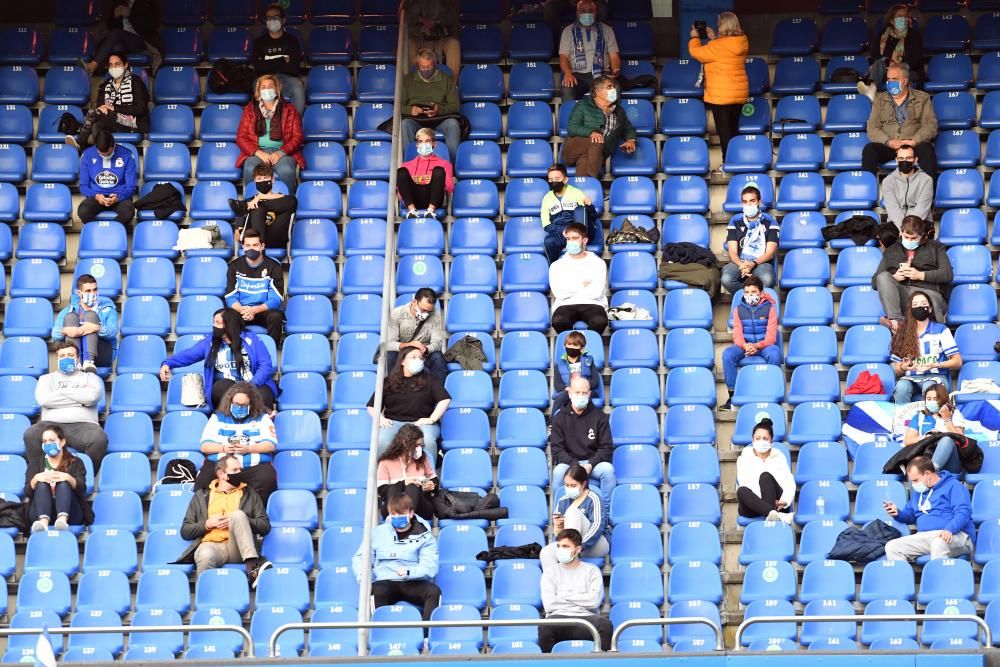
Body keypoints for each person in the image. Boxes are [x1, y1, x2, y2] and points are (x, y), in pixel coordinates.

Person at [176, 454, 272, 586]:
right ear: (221, 473)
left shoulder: (249, 493)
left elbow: (264, 526)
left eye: (240, 470)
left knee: (238, 515)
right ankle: (206, 597)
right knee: (205, 555)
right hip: (212, 545)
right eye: (235, 470)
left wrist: (240, 520)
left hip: (238, 548)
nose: (239, 473)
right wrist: (207, 524)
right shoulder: (202, 496)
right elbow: (185, 531)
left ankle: (252, 568)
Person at [159, 308, 278, 409]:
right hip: (227, 388)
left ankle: (261, 419)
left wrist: (252, 385)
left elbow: (265, 365)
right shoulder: (210, 342)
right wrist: (168, 363)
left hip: (253, 384)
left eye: (218, 323)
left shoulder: (251, 339)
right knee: (220, 387)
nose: (214, 326)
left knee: (264, 395)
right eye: (214, 322)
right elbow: (190, 354)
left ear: (229, 324)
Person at [352, 493, 441, 621]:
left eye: (401, 514)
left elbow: (430, 567)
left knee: (433, 592)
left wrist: (409, 572)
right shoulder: (377, 533)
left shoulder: (425, 536)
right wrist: (365, 578)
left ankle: (427, 635)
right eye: (393, 514)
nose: (397, 518)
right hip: (385, 579)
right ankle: (381, 634)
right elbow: (361, 558)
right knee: (377, 591)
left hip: (413, 581)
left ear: (411, 513)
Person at [22, 343, 107, 472]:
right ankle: (40, 475)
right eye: (62, 356)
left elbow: (91, 397)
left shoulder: (90, 378)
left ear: (78, 359)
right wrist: (80, 400)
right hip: (50, 425)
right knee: (30, 434)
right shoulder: (46, 379)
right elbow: (44, 400)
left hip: (83, 426)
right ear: (57, 359)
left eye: (70, 355)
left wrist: (60, 393)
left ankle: (83, 476)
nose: (66, 358)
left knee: (99, 439)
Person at [195, 383, 278, 502]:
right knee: (202, 482)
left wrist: (248, 449)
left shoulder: (263, 419)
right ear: (230, 401)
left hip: (252, 467)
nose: (239, 408)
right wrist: (224, 448)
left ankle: (254, 517)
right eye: (236, 404)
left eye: (244, 405)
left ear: (252, 404)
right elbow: (205, 446)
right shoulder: (217, 418)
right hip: (221, 465)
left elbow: (270, 445)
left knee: (267, 478)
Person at [688, 12, 749, 173]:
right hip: (738, 94)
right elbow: (723, 52)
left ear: (725, 25)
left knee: (724, 132)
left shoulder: (718, 46)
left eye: (719, 24)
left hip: (721, 95)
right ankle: (735, 161)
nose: (718, 26)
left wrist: (695, 38)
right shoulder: (741, 41)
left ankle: (727, 164)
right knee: (733, 130)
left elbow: (698, 53)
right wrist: (714, 38)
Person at [368, 347, 451, 464]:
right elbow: (371, 406)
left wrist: (432, 419)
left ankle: (430, 477)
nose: (419, 360)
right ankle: (383, 476)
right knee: (381, 440)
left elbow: (445, 399)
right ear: (402, 361)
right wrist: (380, 418)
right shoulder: (388, 381)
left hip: (421, 423)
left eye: (421, 358)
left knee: (427, 440)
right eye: (413, 357)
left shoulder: (430, 380)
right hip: (394, 423)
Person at [883, 456, 975, 561]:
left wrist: (949, 529)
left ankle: (939, 577)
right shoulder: (918, 493)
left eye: (916, 480)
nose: (913, 484)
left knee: (938, 543)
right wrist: (897, 513)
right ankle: (904, 577)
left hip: (956, 535)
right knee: (892, 547)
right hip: (925, 537)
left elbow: (963, 513)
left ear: (927, 474)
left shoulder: (954, 486)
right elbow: (909, 516)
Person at [872, 216, 952, 333]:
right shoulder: (891, 250)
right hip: (904, 295)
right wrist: (895, 277)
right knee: (883, 277)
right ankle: (897, 322)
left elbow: (947, 274)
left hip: (930, 293)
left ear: (922, 235)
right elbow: (875, 282)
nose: (909, 241)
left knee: (930, 302)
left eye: (914, 238)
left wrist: (920, 275)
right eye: (906, 237)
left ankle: (937, 339)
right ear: (901, 232)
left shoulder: (936, 247)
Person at [538, 528, 612, 653]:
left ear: (577, 549)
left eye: (566, 546)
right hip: (559, 619)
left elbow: (594, 602)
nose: (561, 550)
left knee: (605, 625)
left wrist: (564, 595)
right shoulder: (550, 572)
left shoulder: (592, 571)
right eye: (559, 546)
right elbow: (549, 605)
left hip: (587, 618)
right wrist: (581, 597)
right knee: (545, 626)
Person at [862, 62, 937, 176]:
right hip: (889, 146)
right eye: (889, 79)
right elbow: (872, 127)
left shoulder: (922, 98)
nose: (890, 82)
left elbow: (930, 125)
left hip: (913, 145)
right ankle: (867, 190)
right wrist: (888, 142)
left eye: (894, 79)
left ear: (905, 81)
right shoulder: (880, 99)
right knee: (869, 150)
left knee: (927, 150)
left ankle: (928, 190)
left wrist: (914, 141)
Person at [721, 276, 781, 411]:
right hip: (745, 346)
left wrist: (757, 346)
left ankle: (771, 390)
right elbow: (737, 335)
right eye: (747, 292)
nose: (750, 295)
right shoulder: (738, 310)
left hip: (763, 346)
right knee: (728, 354)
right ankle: (733, 395)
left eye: (753, 292)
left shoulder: (770, 309)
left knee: (775, 353)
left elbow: (771, 337)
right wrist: (745, 346)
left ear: (761, 293)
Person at [889, 292, 962, 403]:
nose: (919, 307)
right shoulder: (903, 332)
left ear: (930, 308)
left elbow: (957, 362)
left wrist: (935, 364)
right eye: (915, 305)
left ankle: (930, 419)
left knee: (929, 387)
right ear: (910, 310)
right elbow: (894, 369)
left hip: (936, 377)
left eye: (923, 303)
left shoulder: (941, 329)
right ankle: (903, 419)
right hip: (911, 378)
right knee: (901, 387)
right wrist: (904, 367)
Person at [550, 376, 615, 500]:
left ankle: (605, 514)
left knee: (608, 470)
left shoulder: (599, 416)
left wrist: (590, 464)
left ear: (589, 394)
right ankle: (560, 512)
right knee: (558, 472)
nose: (581, 395)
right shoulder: (559, 417)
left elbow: (606, 447)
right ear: (569, 393)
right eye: (577, 392)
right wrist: (574, 465)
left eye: (584, 393)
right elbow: (557, 449)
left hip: (592, 464)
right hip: (569, 463)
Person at [236, 74, 304, 191]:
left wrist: (281, 153)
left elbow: (297, 137)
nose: (267, 90)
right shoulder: (250, 110)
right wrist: (258, 153)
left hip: (282, 153)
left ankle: (288, 205)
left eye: (270, 86)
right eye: (263, 87)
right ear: (258, 92)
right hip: (258, 153)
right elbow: (241, 138)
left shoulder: (290, 110)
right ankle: (251, 203)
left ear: (277, 90)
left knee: (286, 170)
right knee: (250, 168)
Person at [70, 52, 150, 151]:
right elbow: (101, 107)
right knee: (96, 126)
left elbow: (140, 108)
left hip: (134, 124)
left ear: (125, 65)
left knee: (98, 115)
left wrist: (114, 108)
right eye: (111, 65)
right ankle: (95, 154)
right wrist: (103, 109)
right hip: (110, 122)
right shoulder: (105, 86)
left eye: (117, 64)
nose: (114, 68)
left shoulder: (136, 83)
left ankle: (80, 143)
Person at [562, 75, 636, 178]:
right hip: (573, 149)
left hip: (597, 155)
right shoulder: (583, 105)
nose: (613, 89)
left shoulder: (619, 111)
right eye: (609, 87)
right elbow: (572, 127)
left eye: (614, 87)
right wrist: (592, 132)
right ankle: (594, 180)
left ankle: (587, 188)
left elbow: (628, 128)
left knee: (584, 162)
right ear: (597, 92)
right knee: (597, 140)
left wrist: (631, 140)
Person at [25, 425, 93, 534]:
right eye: (45, 441)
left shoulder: (76, 462)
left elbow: (82, 490)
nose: (48, 444)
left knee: (63, 483)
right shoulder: (35, 462)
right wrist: (36, 479)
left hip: (71, 512)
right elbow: (27, 492)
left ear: (62, 442)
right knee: (41, 484)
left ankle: (62, 520)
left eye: (51, 440)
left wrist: (68, 478)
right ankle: (43, 522)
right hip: (39, 512)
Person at [542, 465, 610, 570]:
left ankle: (569, 555)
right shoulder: (562, 501)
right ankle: (556, 583)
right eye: (567, 485)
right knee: (546, 552)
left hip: (595, 545)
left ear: (583, 484)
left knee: (573, 512)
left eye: (573, 485)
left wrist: (577, 546)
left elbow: (597, 526)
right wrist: (558, 527)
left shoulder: (594, 498)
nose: (569, 488)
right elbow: (559, 535)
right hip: (571, 547)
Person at [401, 49, 462, 164]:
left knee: (453, 124)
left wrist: (439, 110)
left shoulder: (446, 79)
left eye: (428, 67)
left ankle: (450, 165)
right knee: (405, 124)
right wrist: (410, 110)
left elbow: (455, 106)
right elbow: (398, 106)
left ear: (435, 64)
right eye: (422, 67)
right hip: (416, 119)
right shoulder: (408, 80)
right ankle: (410, 164)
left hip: (439, 118)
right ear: (417, 65)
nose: (425, 70)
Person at [225, 229, 285, 345]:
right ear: (243, 246)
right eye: (247, 245)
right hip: (242, 311)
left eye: (255, 245)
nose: (251, 248)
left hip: (263, 311)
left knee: (276, 317)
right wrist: (244, 310)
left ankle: (271, 352)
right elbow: (231, 297)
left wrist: (254, 310)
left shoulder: (274, 267)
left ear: (262, 246)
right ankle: (237, 354)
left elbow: (275, 300)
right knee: (228, 316)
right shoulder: (234, 267)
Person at [52, 273, 119, 373]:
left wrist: (96, 328)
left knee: (91, 315)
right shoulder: (68, 310)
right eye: (88, 291)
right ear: (79, 293)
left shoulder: (108, 308)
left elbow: (113, 332)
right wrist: (66, 330)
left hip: (100, 353)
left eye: (95, 290)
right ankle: (76, 363)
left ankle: (89, 361)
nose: (92, 293)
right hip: (74, 354)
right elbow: (55, 335)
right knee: (71, 317)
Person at [549, 222, 608, 333]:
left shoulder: (598, 263)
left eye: (575, 238)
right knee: (558, 321)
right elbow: (559, 293)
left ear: (584, 240)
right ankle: (572, 347)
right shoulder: (557, 265)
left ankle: (587, 348)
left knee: (599, 321)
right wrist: (582, 284)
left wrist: (570, 285)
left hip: (593, 304)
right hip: (565, 304)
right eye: (568, 238)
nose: (571, 242)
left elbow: (596, 293)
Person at [720, 185, 778, 295]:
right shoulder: (735, 221)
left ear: (759, 202)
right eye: (745, 202)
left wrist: (753, 264)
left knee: (767, 279)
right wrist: (741, 265)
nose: (748, 204)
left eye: (752, 201)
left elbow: (770, 253)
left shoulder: (770, 222)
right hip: (739, 261)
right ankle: (747, 299)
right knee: (727, 279)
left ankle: (757, 302)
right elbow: (732, 251)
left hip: (761, 262)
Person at [858, 4, 924, 100]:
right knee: (878, 63)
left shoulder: (914, 35)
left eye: (906, 16)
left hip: (908, 70)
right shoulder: (882, 34)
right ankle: (871, 90)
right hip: (886, 70)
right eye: (900, 17)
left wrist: (897, 66)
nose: (904, 19)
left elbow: (916, 59)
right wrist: (888, 63)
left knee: (903, 71)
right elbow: (875, 55)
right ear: (892, 20)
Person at [735, 418, 795, 525]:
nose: (761, 441)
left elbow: (788, 481)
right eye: (757, 438)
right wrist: (763, 503)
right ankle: (773, 514)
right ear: (753, 440)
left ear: (771, 441)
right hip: (754, 505)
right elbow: (745, 482)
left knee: (765, 476)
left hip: (776, 503)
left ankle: (773, 513)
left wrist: (784, 500)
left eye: (765, 438)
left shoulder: (779, 456)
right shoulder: (744, 458)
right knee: (741, 490)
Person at [558, 0, 620, 101]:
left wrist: (616, 68)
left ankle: (608, 117)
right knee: (567, 91)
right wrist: (567, 73)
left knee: (614, 89)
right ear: (577, 13)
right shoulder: (568, 31)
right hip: (577, 75)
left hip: (601, 73)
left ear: (596, 13)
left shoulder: (607, 30)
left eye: (590, 11)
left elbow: (614, 56)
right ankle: (573, 117)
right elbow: (563, 56)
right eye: (583, 11)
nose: (587, 14)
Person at [81, 0, 163, 76]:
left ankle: (93, 66)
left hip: (141, 41)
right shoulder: (120, 2)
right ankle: (119, 77)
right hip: (123, 41)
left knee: (117, 33)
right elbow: (110, 27)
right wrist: (115, 17)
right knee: (116, 47)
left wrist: (130, 14)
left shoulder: (146, 2)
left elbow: (151, 25)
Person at [385, 288, 448, 385]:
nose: (425, 314)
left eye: (428, 311)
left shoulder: (435, 314)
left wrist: (426, 349)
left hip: (424, 353)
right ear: (414, 302)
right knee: (390, 355)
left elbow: (437, 343)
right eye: (423, 310)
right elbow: (389, 344)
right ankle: (395, 388)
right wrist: (409, 345)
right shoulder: (397, 313)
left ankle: (438, 392)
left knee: (438, 357)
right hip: (403, 353)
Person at [251, 3, 305, 117]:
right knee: (257, 84)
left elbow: (293, 68)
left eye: (275, 17)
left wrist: (268, 63)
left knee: (298, 86)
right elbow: (259, 67)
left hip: (287, 79)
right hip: (265, 78)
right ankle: (264, 124)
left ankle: (294, 123)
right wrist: (282, 60)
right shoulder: (259, 42)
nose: (272, 21)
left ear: (283, 20)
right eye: (269, 18)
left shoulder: (292, 41)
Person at [376, 424, 437, 521]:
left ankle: (408, 521)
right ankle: (403, 520)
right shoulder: (385, 462)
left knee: (412, 487)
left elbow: (434, 481)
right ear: (405, 443)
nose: (420, 449)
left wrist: (431, 485)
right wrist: (404, 483)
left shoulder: (423, 459)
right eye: (417, 445)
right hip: (392, 507)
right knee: (408, 486)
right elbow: (381, 490)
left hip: (422, 509)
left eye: (421, 445)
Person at [231, 161, 298, 250]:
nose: (263, 181)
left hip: (275, 238)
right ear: (255, 180)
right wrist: (238, 229)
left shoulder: (283, 200)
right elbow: (237, 237)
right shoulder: (250, 202)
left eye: (266, 178)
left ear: (273, 179)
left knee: (291, 202)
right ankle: (259, 246)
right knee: (256, 208)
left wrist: (260, 197)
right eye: (259, 179)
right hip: (254, 242)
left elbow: (293, 202)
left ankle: (259, 247)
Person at [77, 129, 138, 224]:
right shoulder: (87, 155)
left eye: (109, 154)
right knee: (83, 211)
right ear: (96, 148)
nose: (105, 156)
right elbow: (83, 186)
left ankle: (112, 232)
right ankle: (97, 231)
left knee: (128, 212)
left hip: (119, 196)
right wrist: (96, 196)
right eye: (101, 154)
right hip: (97, 196)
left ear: (114, 145)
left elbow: (131, 187)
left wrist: (119, 197)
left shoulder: (127, 155)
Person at [903, 384, 966, 474]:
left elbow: (961, 439)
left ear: (943, 399)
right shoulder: (919, 417)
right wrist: (926, 437)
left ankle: (930, 472)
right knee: (914, 466)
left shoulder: (955, 414)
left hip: (951, 463)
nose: (932, 402)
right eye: (929, 399)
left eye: (936, 399)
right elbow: (908, 441)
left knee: (946, 440)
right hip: (926, 457)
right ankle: (927, 473)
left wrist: (947, 419)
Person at [541, 163, 595, 264]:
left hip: (577, 229)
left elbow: (591, 216)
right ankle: (554, 268)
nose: (554, 182)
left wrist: (589, 206)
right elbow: (546, 225)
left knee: (581, 211)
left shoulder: (576, 192)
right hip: (560, 232)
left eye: (557, 179)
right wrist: (564, 230)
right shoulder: (547, 198)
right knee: (549, 241)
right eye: (551, 180)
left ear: (565, 179)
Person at [397, 128, 454, 218]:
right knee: (401, 172)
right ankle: (412, 211)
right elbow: (401, 193)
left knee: (438, 171)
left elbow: (450, 188)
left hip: (435, 200)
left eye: (427, 141)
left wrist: (433, 179)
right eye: (420, 141)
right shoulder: (406, 165)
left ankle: (430, 211)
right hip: (413, 200)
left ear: (434, 144)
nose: (424, 144)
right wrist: (412, 181)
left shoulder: (444, 164)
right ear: (417, 145)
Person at [403, 0, 461, 80]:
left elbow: (453, 15)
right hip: (419, 36)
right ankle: (414, 82)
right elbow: (404, 15)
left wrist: (437, 21)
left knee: (453, 44)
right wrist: (422, 20)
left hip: (442, 36)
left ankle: (451, 84)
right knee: (409, 44)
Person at [881, 144, 933, 228]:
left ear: (915, 160)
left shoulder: (926, 180)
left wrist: (909, 228)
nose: (904, 161)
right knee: (885, 236)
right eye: (901, 158)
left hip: (920, 221)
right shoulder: (887, 181)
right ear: (896, 160)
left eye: (909, 158)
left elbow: (922, 209)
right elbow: (892, 209)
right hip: (896, 222)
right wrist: (902, 228)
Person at [553, 331, 600, 413]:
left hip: (585, 391)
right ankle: (552, 422)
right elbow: (557, 385)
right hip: (569, 392)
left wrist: (583, 387)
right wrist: (570, 389)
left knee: (584, 398)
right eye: (569, 344)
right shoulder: (559, 365)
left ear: (581, 348)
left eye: (575, 345)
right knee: (561, 397)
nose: (571, 347)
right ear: (565, 346)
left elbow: (595, 381)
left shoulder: (588, 361)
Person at [542, 0, 608, 44]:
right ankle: (558, 44)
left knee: (603, 8)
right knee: (549, 7)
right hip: (566, 2)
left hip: (590, 1)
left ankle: (598, 43)